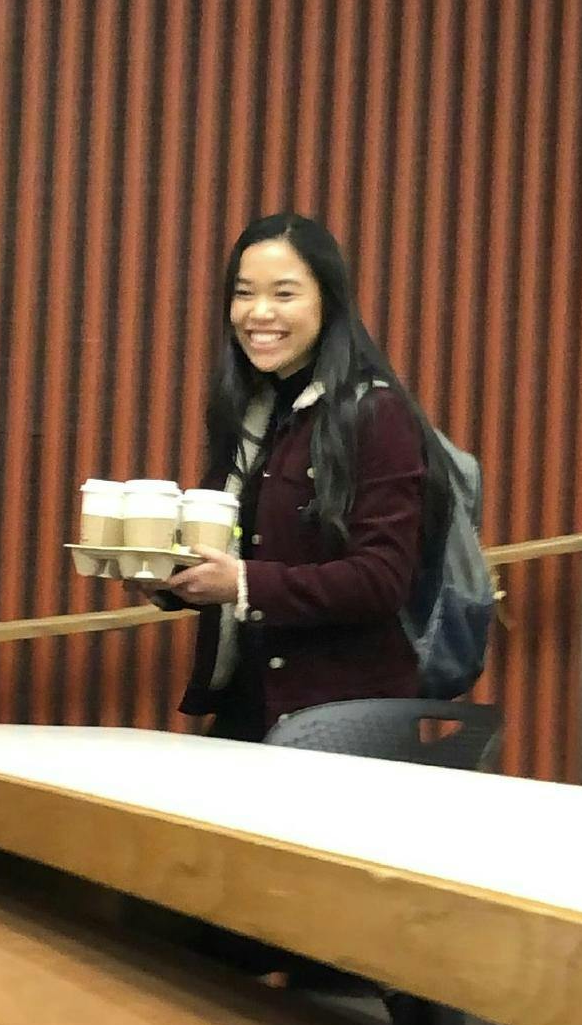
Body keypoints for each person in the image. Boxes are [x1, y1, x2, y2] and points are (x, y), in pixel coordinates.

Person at [153, 213, 454, 743]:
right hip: (248, 712)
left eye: (284, 294)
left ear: (328, 302)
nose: (259, 313)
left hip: (347, 726)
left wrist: (243, 583)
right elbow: (248, 550)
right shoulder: (249, 413)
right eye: (244, 293)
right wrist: (168, 575)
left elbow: (381, 578)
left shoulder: (376, 413)